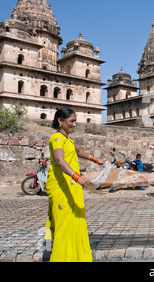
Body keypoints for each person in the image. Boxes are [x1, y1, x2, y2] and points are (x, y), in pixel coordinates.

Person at [45, 108, 105, 262]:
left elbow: (77, 151)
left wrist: (97, 160)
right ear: (60, 120)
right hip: (61, 185)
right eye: (71, 121)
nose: (74, 124)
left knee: (75, 221)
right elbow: (59, 161)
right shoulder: (56, 138)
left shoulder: (67, 139)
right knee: (64, 224)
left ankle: (76, 257)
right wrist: (78, 177)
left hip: (70, 184)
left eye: (74, 121)